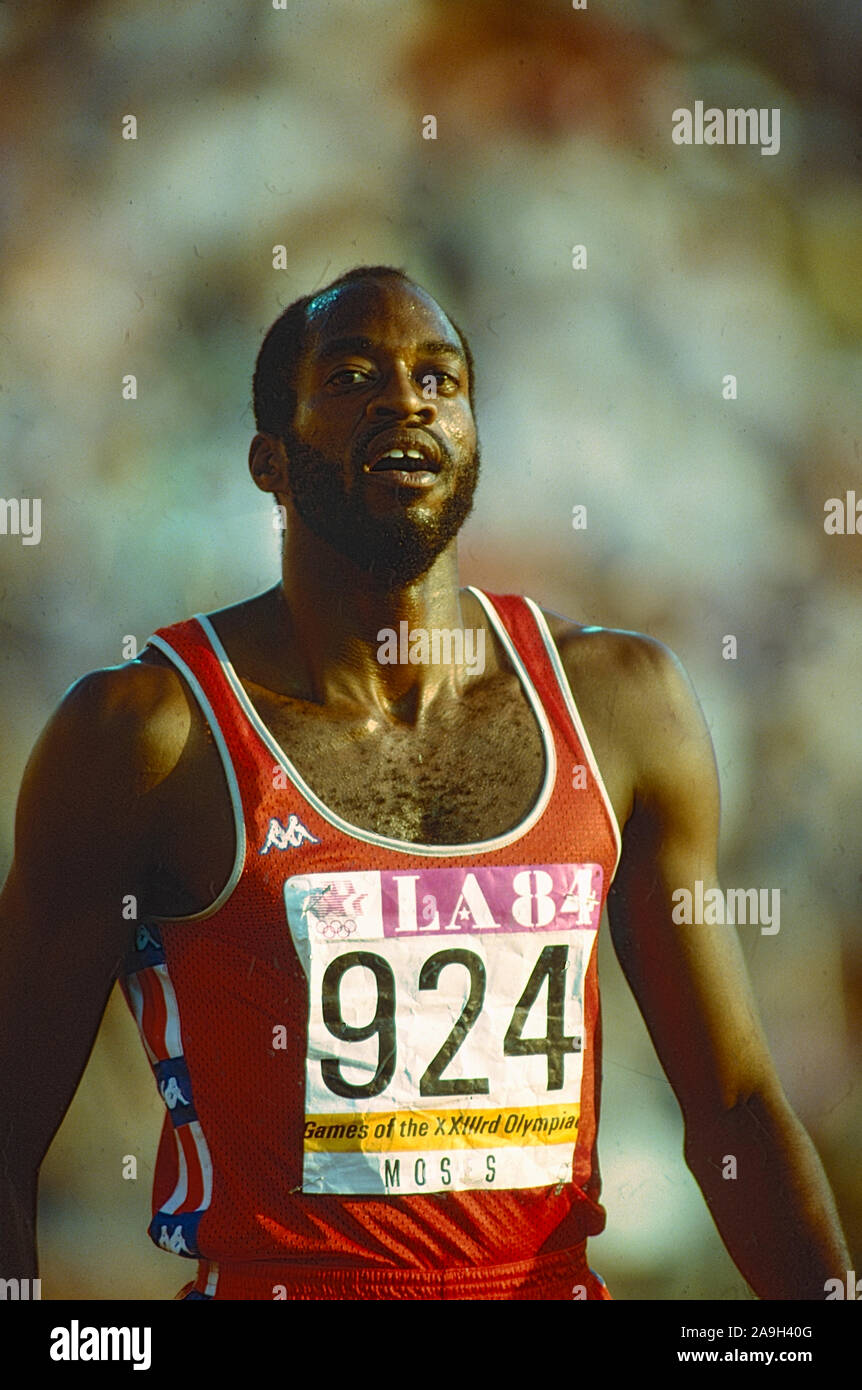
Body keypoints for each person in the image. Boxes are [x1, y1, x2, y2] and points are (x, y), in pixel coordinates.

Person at [0, 265, 850, 1301]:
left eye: (439, 380)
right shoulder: (144, 739)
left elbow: (734, 1101)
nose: (406, 399)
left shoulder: (623, 705)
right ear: (270, 460)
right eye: (353, 375)